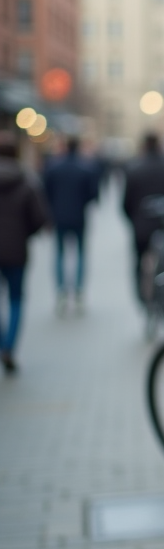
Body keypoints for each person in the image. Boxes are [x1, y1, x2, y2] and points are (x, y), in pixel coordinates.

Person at [0, 131, 49, 373]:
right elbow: (39, 218)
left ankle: (2, 344)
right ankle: (9, 346)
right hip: (17, 252)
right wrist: (24, 234)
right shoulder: (27, 181)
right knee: (16, 300)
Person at [122, 132, 164, 302]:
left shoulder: (134, 170)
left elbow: (125, 204)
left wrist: (135, 221)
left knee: (140, 262)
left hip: (142, 228)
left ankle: (142, 297)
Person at [42, 136, 99, 312]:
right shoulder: (85, 168)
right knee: (80, 254)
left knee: (59, 254)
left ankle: (61, 292)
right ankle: (79, 292)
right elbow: (93, 195)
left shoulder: (53, 167)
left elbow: (45, 193)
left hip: (58, 217)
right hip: (78, 217)